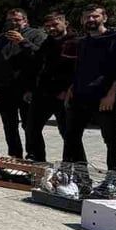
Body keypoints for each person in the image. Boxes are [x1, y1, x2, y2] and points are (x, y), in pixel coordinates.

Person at [62, 5, 116, 196]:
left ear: (104, 18)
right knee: (72, 137)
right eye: (86, 17)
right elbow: (80, 68)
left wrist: (112, 94)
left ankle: (112, 180)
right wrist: (72, 88)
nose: (90, 20)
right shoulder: (83, 42)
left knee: (111, 139)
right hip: (80, 96)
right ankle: (82, 178)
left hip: (104, 98)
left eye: (94, 16)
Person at [0, 9, 46, 159]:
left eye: (16, 19)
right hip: (5, 89)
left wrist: (22, 42)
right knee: (9, 125)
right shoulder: (1, 39)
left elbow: (42, 57)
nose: (13, 23)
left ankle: (33, 155)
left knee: (30, 126)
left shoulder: (36, 35)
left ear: (25, 20)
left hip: (27, 89)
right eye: (10, 20)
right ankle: (15, 155)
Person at [25, 12, 76, 163]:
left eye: (55, 25)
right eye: (48, 26)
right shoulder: (48, 42)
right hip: (43, 93)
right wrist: (30, 89)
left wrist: (67, 91)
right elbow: (37, 65)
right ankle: (39, 162)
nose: (51, 28)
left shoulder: (75, 42)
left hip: (64, 95)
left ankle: (69, 167)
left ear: (65, 23)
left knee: (67, 133)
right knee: (31, 128)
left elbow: (77, 70)